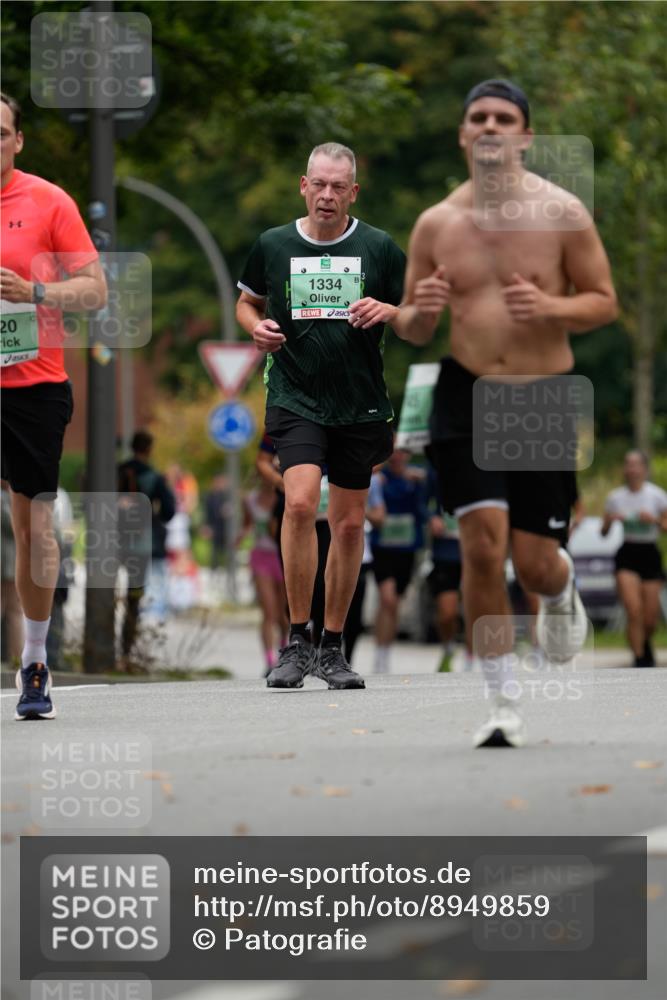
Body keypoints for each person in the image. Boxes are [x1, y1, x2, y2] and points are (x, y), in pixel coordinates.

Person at [394, 79, 618, 745]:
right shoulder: (436, 224)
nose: (489, 126)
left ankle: (557, 587)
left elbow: (603, 300)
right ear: (462, 135)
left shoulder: (562, 212)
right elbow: (407, 324)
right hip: (466, 393)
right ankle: (501, 702)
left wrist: (552, 309)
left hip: (541, 395)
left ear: (524, 135)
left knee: (535, 559)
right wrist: (421, 312)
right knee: (481, 548)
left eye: (503, 118)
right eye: (477, 117)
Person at [236, 142, 406, 690]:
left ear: (353, 192)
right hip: (295, 394)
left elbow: (421, 317)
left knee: (350, 523)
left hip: (359, 402)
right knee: (301, 502)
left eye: (339, 187)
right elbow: (247, 301)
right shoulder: (273, 244)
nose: (328, 195)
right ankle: (296, 640)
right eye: (319, 184)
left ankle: (333, 646)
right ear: (303, 186)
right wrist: (253, 328)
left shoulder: (379, 248)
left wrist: (391, 311)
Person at [1, 93, 107, 719]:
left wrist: (35, 289)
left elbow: (95, 291)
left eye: (2, 132)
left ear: (18, 141)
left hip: (32, 387)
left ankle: (35, 662)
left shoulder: (48, 201)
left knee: (33, 528)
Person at [602, 450, 667, 667]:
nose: (631, 469)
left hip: (649, 553)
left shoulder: (657, 495)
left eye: (636, 464)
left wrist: (655, 520)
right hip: (627, 554)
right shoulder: (615, 497)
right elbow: (603, 531)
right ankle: (639, 660)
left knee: (649, 618)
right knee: (633, 609)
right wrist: (611, 520)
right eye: (628, 464)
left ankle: (645, 641)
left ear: (645, 469)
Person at [117, 430, 175, 669]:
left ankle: (102, 643)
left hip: (110, 538)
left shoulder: (115, 471)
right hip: (141, 541)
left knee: (102, 587)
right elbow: (170, 510)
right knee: (134, 594)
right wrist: (154, 516)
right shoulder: (153, 477)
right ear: (149, 449)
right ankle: (126, 650)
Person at [371, 447, 427, 674]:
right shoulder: (378, 478)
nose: (397, 456)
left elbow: (427, 505)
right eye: (392, 451)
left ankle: (385, 649)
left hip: (406, 548)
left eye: (402, 452)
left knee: (394, 604)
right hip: (382, 547)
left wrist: (422, 482)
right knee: (388, 600)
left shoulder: (417, 477)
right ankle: (380, 655)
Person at [240, 477, 289, 676]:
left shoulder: (287, 496)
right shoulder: (250, 500)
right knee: (268, 612)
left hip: (284, 557)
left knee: (284, 615)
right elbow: (247, 524)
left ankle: (285, 653)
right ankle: (270, 660)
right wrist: (240, 537)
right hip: (261, 557)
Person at [425, 465, 467, 673]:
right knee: (447, 613)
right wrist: (430, 517)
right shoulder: (437, 469)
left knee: (474, 608)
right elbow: (421, 501)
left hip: (476, 554)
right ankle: (448, 647)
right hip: (446, 553)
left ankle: (473, 658)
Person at [202, 473, 231, 573]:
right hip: (215, 527)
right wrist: (206, 526)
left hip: (225, 527)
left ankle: (227, 568)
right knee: (215, 551)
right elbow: (207, 512)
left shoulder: (226, 496)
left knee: (227, 550)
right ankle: (215, 570)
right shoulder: (210, 496)